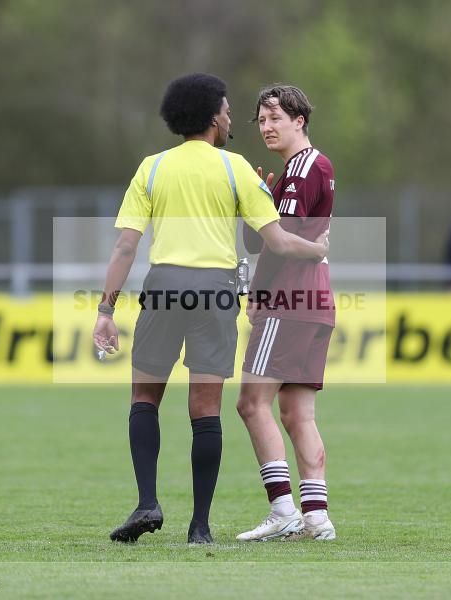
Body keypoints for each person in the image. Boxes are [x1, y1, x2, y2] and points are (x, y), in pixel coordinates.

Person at [92, 73, 329, 545]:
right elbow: (278, 239)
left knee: (145, 399)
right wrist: (317, 248)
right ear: (212, 118)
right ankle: (199, 527)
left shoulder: (152, 168)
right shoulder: (235, 167)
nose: (231, 117)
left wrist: (105, 309)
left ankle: (147, 503)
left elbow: (125, 247)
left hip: (164, 286)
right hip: (216, 291)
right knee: (206, 410)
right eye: (226, 109)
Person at [235, 84, 337, 541]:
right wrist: (258, 202)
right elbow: (260, 238)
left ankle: (283, 511)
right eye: (260, 120)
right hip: (317, 302)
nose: (266, 127)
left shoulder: (302, 171)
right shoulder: (294, 174)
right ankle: (316, 516)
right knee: (298, 414)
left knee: (252, 402)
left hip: (289, 300)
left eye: (275, 117)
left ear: (300, 121)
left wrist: (259, 296)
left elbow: (278, 247)